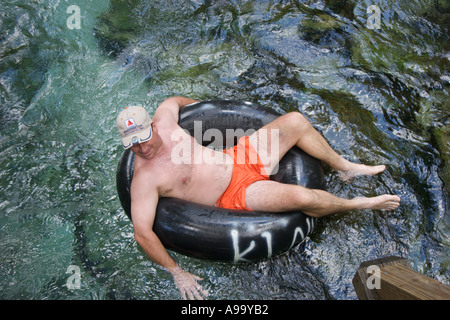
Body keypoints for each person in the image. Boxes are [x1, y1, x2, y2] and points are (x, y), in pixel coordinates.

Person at [116, 96, 401, 300]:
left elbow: (174, 101)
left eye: (143, 138)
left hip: (238, 157)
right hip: (235, 195)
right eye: (132, 144)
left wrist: (208, 110)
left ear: (152, 126)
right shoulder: (145, 180)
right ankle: (359, 204)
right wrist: (177, 272)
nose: (140, 148)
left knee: (296, 121)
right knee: (303, 197)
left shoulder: (165, 120)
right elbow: (142, 233)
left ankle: (345, 167)